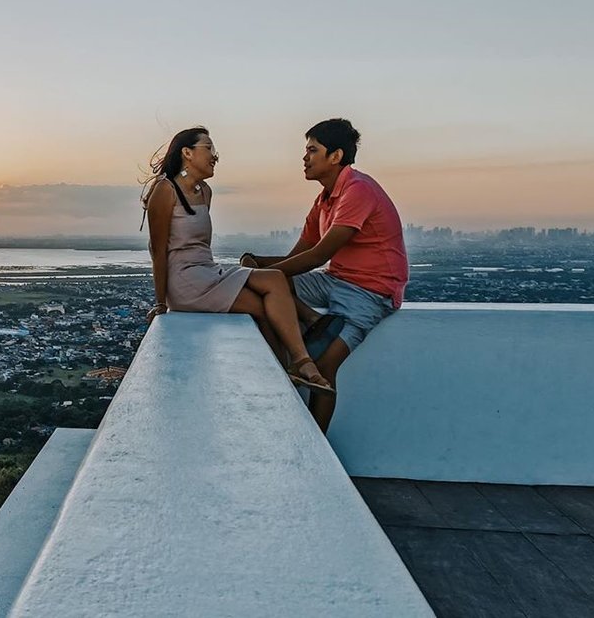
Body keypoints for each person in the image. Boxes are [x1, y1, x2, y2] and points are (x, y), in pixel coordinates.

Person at [241, 118, 408, 432]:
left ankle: (316, 451)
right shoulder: (324, 200)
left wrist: (261, 271)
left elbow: (317, 256)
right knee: (261, 288)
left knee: (323, 368)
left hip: (370, 291)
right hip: (334, 281)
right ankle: (309, 322)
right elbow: (294, 259)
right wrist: (253, 263)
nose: (305, 158)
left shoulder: (358, 190)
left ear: (336, 156)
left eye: (312, 150)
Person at [142, 126, 333, 394]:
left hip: (207, 272)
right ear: (187, 153)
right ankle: (302, 363)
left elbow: (201, 247)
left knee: (269, 298)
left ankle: (287, 369)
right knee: (271, 284)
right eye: (208, 148)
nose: (214, 156)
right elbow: (158, 251)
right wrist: (161, 303)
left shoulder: (205, 192)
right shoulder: (165, 191)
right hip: (186, 282)